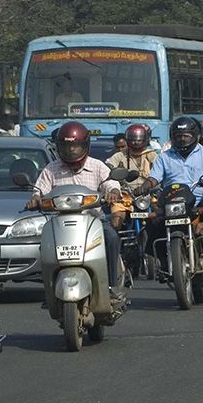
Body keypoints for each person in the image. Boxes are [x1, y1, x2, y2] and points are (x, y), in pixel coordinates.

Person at [26, 121, 122, 291]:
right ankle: (49, 288)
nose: (71, 151)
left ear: (85, 146)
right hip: (60, 223)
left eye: (75, 147)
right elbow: (39, 190)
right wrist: (35, 199)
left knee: (111, 238)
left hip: (93, 221)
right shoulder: (51, 169)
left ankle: (111, 286)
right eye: (66, 147)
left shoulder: (97, 166)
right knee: (44, 244)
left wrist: (113, 191)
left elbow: (111, 183)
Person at [136, 116, 203, 266]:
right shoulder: (164, 157)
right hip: (173, 202)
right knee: (153, 225)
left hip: (200, 201)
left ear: (195, 136)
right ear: (172, 138)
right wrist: (145, 185)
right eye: (179, 137)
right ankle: (163, 262)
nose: (182, 140)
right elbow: (154, 177)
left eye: (186, 136)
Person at [106, 124, 157, 229]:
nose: (135, 143)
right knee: (116, 222)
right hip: (125, 196)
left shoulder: (152, 155)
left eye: (139, 140)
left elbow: (161, 171)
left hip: (149, 195)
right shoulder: (119, 156)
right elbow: (108, 171)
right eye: (133, 140)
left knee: (163, 215)